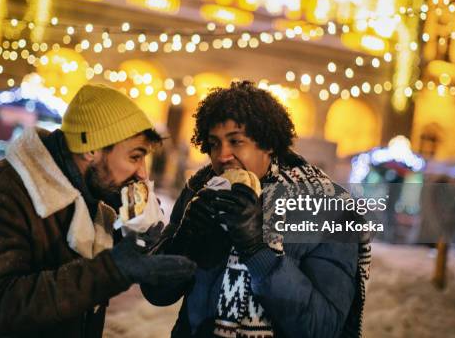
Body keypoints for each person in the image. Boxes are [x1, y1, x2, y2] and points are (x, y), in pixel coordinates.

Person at [0, 84, 196, 337]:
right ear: (91, 149)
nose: (142, 173)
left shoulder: (93, 200)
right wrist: (112, 269)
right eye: (135, 157)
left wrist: (133, 239)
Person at [143, 81, 371, 338]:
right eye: (214, 143)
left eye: (236, 141)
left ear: (268, 143)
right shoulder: (199, 189)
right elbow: (157, 294)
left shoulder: (327, 208)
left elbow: (322, 327)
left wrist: (256, 249)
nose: (222, 155)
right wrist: (184, 240)